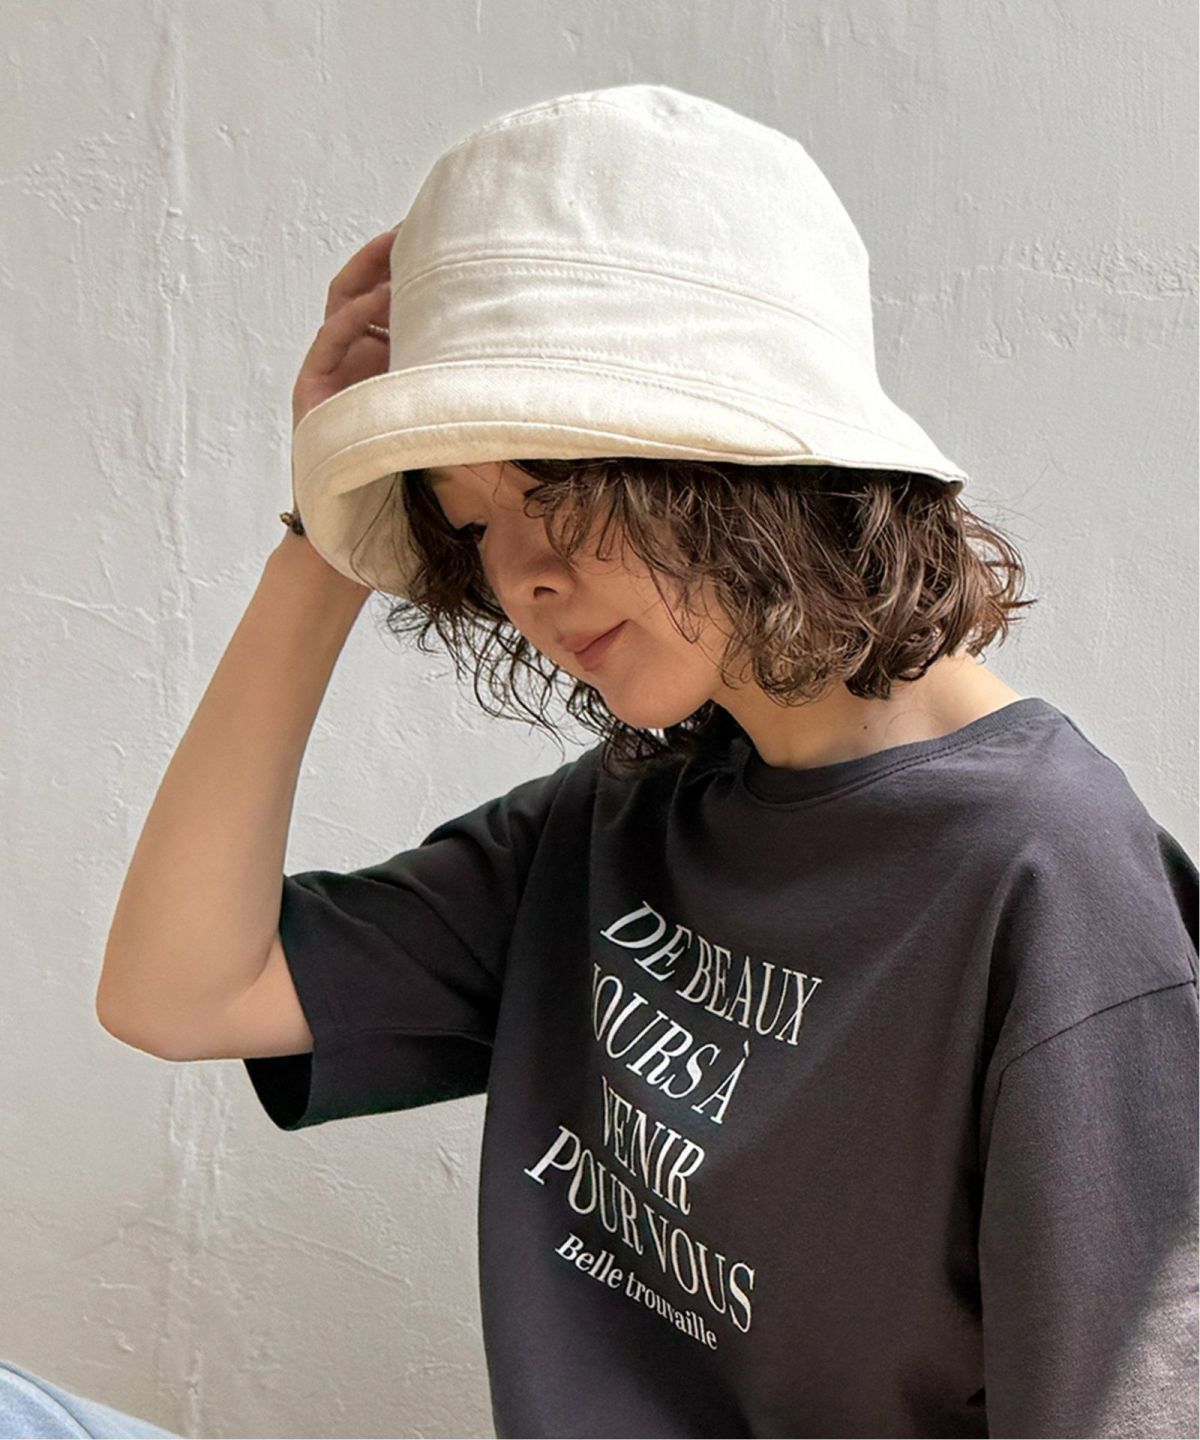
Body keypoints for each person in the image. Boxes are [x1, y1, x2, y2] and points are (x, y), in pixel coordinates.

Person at [82, 86, 1197, 1440]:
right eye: (468, 523)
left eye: (553, 485)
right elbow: (180, 992)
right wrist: (327, 525)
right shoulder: (623, 820)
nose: (521, 578)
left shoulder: (1053, 880)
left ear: (734, 453)